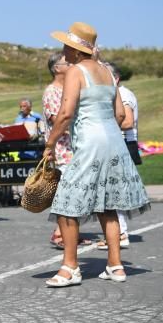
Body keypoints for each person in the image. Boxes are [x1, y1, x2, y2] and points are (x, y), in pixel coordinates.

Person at [42, 22, 149, 287]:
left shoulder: (76, 72)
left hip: (90, 142)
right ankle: (115, 265)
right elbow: (121, 114)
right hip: (114, 141)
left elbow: (65, 113)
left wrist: (50, 143)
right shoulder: (107, 72)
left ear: (77, 50)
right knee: (108, 204)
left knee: (67, 206)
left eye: (67, 45)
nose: (64, 49)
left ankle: (70, 268)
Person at [96, 62, 140, 251]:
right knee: (111, 190)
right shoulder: (116, 93)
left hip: (122, 143)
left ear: (116, 78)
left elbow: (128, 121)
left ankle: (120, 233)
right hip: (118, 143)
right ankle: (117, 232)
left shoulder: (123, 94)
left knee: (114, 190)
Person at [42, 52, 78, 248]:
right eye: (67, 63)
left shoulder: (68, 89)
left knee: (71, 193)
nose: (71, 64)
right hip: (62, 150)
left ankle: (68, 233)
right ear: (57, 68)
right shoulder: (52, 91)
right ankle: (59, 233)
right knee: (65, 193)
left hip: (73, 149)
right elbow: (58, 119)